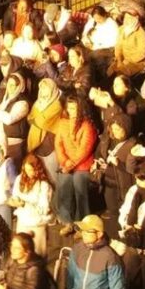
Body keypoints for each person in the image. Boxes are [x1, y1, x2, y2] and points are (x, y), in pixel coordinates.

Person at [55, 95, 98, 234]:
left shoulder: (87, 125)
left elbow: (84, 150)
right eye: (69, 107)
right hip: (66, 163)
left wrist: (70, 164)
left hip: (82, 165)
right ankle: (67, 221)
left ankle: (82, 225)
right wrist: (64, 161)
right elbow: (58, 144)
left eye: (74, 108)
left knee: (80, 188)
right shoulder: (62, 123)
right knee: (64, 186)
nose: (71, 110)